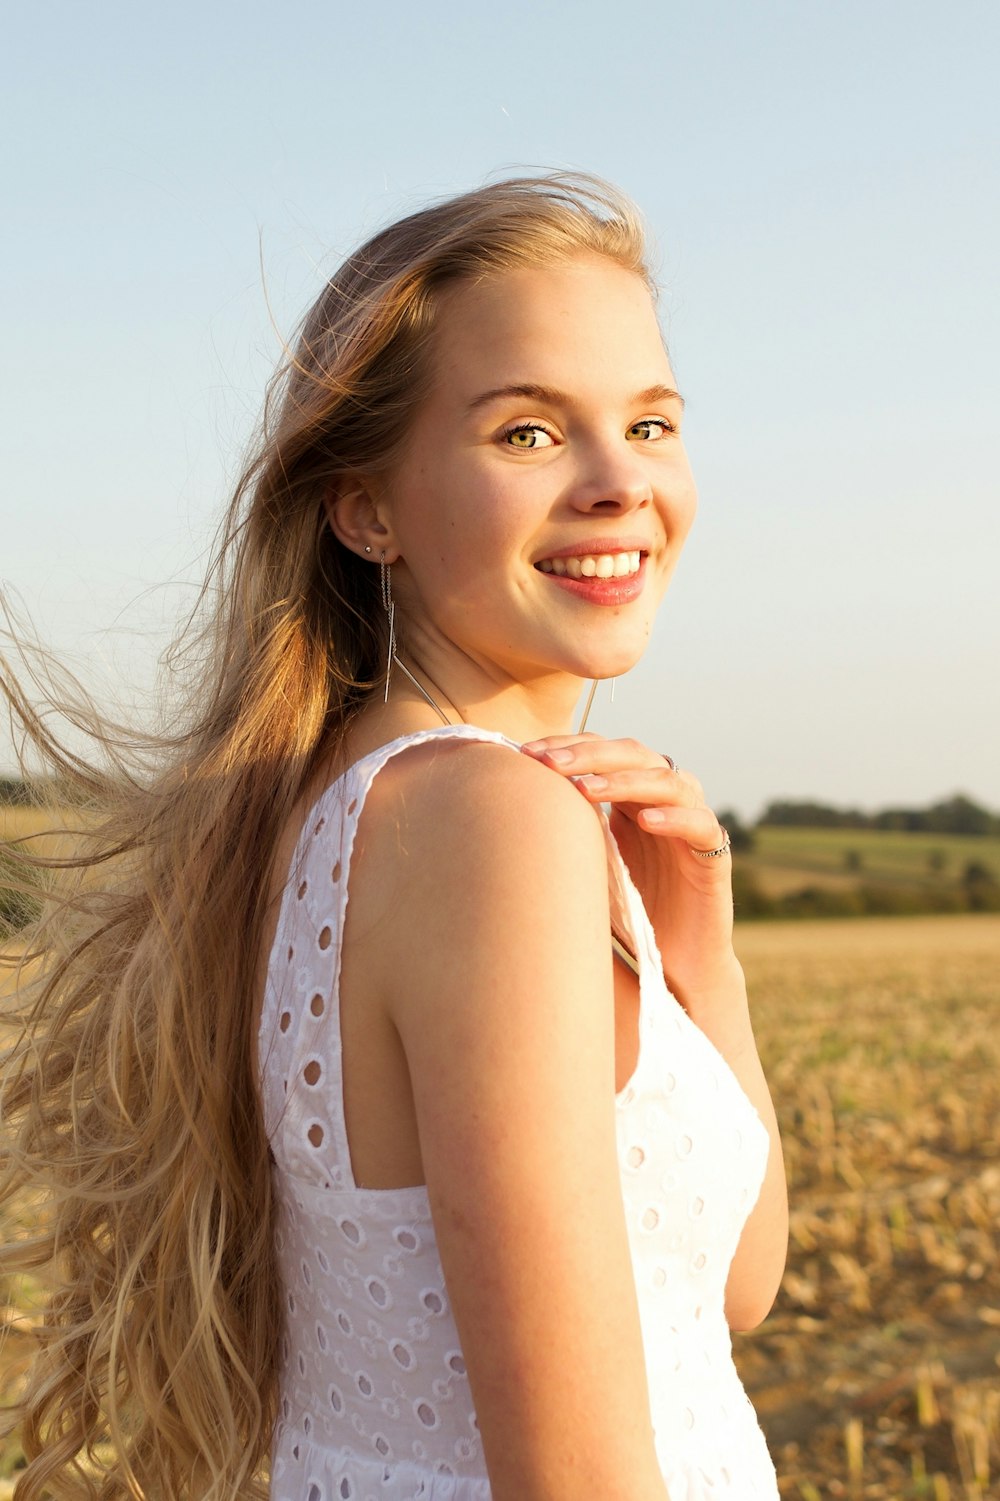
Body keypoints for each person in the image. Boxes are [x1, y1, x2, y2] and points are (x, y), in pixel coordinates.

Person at [0, 174, 787, 1501]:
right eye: (530, 433)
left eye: (649, 422)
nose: (620, 483)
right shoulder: (485, 824)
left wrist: (701, 954)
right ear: (366, 509)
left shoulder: (335, 816)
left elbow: (733, 1289)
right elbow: (578, 1477)